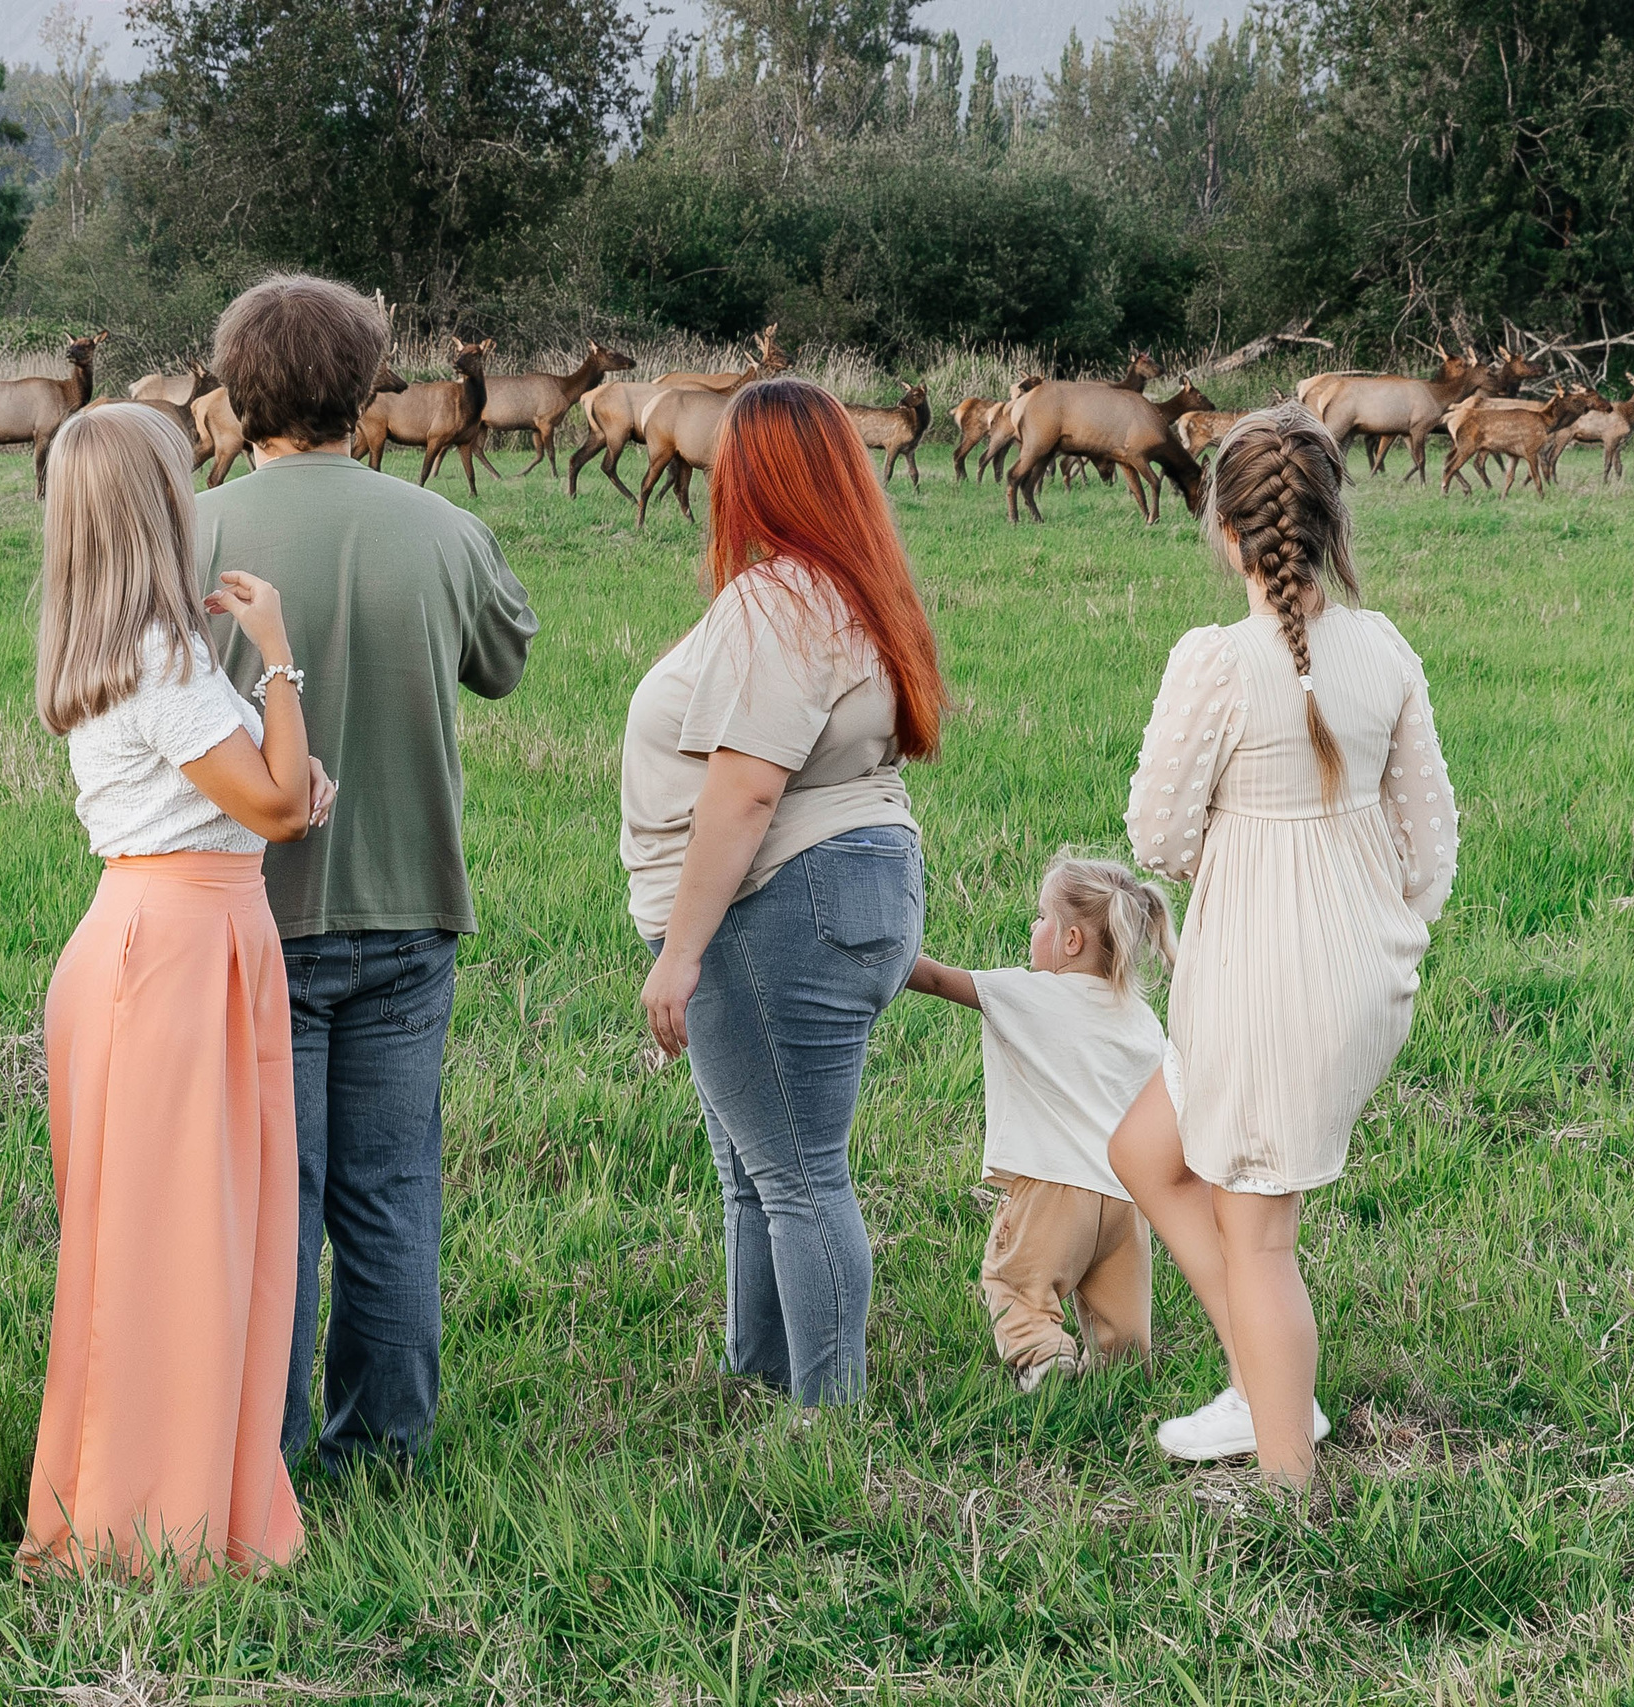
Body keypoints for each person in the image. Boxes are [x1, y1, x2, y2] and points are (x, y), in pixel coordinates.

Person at [202, 275, 539, 1474]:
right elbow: (503, 662)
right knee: (392, 1192)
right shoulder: (443, 530)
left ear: (235, 392)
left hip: (249, 915)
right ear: (368, 388)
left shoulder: (191, 534)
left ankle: (264, 1453)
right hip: (408, 904)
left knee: (271, 1200)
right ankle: (384, 1446)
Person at [1108, 402, 1458, 1487]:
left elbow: (1158, 837)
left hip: (1264, 984)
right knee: (1145, 1152)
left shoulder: (1216, 662)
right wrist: (1364, 921)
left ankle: (1285, 1485)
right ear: (1334, 524)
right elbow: (1428, 846)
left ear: (1226, 532)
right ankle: (1266, 1388)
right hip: (1354, 974)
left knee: (1258, 1240)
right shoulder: (1383, 648)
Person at [24, 403, 330, 1578]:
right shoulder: (163, 657)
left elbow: (263, 794)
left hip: (170, 938)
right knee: (183, 1246)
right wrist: (280, 652)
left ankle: (146, 1494)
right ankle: (154, 1517)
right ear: (157, 508)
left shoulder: (115, 647)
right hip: (178, 952)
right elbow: (276, 806)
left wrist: (287, 777)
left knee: (161, 1241)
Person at [622, 378, 945, 1412]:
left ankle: (827, 1420)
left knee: (799, 1174)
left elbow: (747, 788)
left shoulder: (779, 602)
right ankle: (755, 1376)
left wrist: (680, 952)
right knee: (759, 1166)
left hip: (785, 899)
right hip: (859, 878)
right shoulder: (859, 589)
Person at [903, 858, 1175, 1390]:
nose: (1033, 927)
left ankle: (1043, 1358)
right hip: (1124, 1199)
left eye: (1042, 917)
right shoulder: (1142, 1020)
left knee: (1015, 1287)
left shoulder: (1028, 993)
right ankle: (1119, 1381)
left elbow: (934, 978)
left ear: (1071, 940)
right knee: (1120, 1326)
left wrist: (873, 956)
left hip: (1051, 1189)